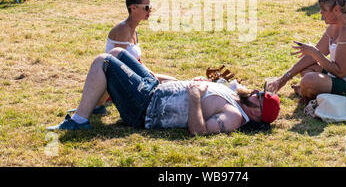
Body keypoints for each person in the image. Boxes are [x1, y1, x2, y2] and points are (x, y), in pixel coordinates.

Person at [46, 47, 280, 133]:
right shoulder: (236, 98)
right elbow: (192, 89)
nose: (255, 93)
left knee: (103, 62)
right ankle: (95, 106)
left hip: (147, 108)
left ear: (258, 113)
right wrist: (193, 83)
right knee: (118, 53)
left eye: (259, 97)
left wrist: (195, 95)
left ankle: (79, 120)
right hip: (156, 90)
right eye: (259, 92)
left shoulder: (234, 117)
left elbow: (198, 131)